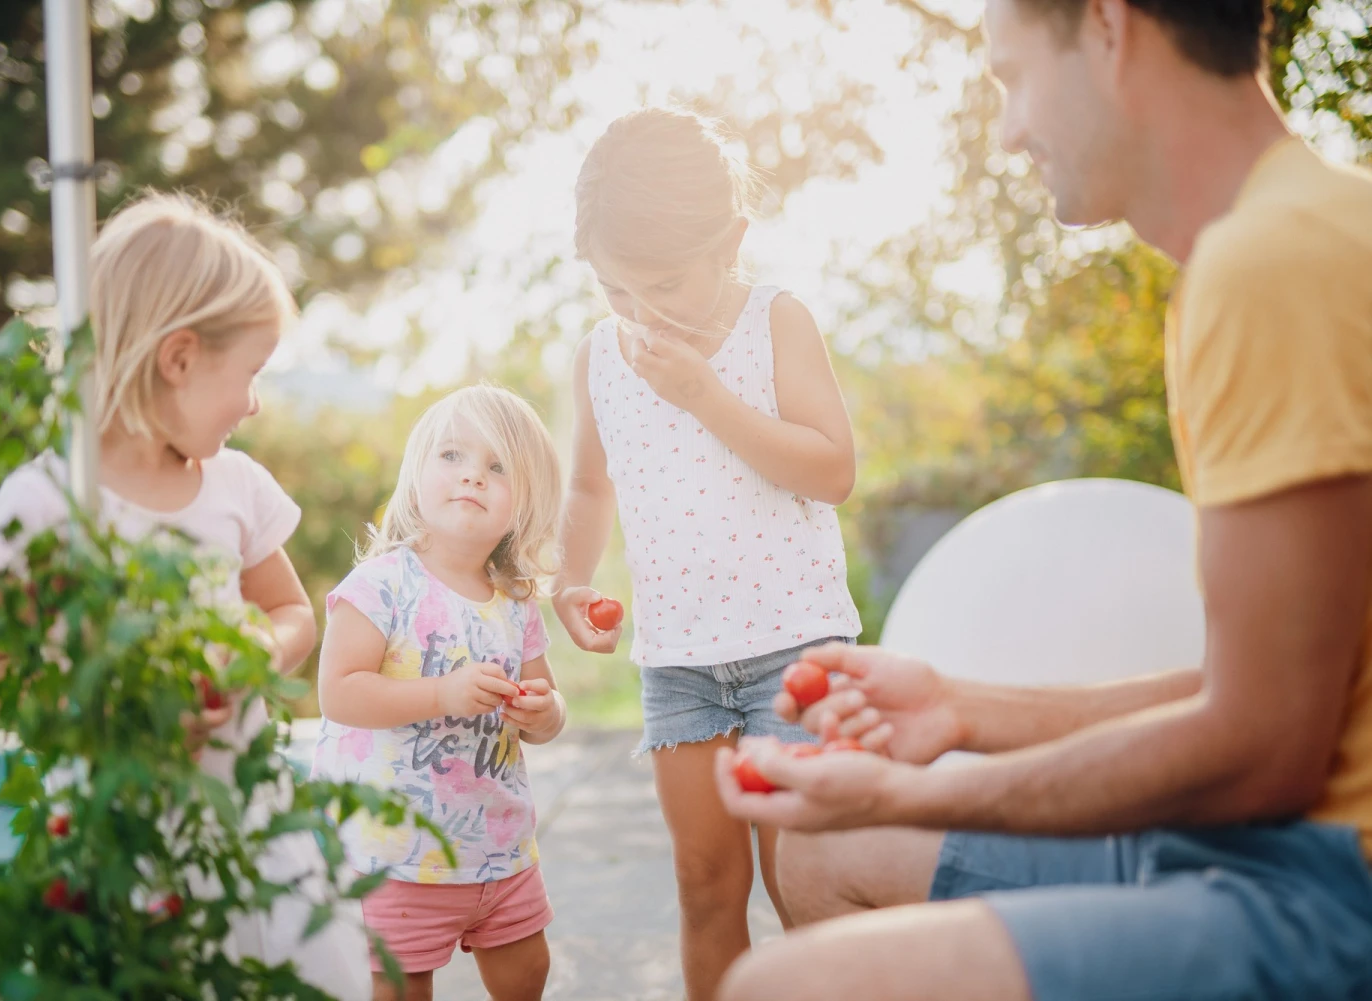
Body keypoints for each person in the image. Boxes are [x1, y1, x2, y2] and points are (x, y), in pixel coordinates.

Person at [712, 2, 1372, 1000]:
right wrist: (957, 707)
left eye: (1013, 76)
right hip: (1274, 834)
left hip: (1322, 886)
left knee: (780, 985)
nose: (1011, 127)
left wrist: (912, 786)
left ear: (1108, 29)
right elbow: (1288, 687)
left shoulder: (1268, 267)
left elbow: (1262, 751)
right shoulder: (1304, 228)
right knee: (817, 853)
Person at [0, 192, 370, 998]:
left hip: (250, 820)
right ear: (178, 358)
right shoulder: (43, 504)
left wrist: (252, 652)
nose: (254, 401)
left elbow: (292, 614)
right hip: (121, 834)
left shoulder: (235, 486)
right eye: (248, 373)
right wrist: (106, 710)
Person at [552, 106, 863, 1000]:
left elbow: (832, 469)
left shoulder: (776, 321)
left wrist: (707, 398)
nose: (642, 314)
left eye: (664, 285)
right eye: (616, 291)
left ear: (732, 240)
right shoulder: (600, 359)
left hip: (795, 652)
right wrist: (573, 581)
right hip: (679, 662)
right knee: (704, 885)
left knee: (803, 880)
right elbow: (588, 487)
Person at [312, 384, 567, 1001]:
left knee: (527, 973)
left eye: (497, 467)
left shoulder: (515, 600)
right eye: (452, 456)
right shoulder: (382, 584)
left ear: (524, 500)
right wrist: (441, 694)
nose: (473, 477)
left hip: (499, 847)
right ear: (416, 474)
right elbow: (339, 693)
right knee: (400, 989)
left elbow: (546, 709)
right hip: (396, 852)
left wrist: (542, 711)